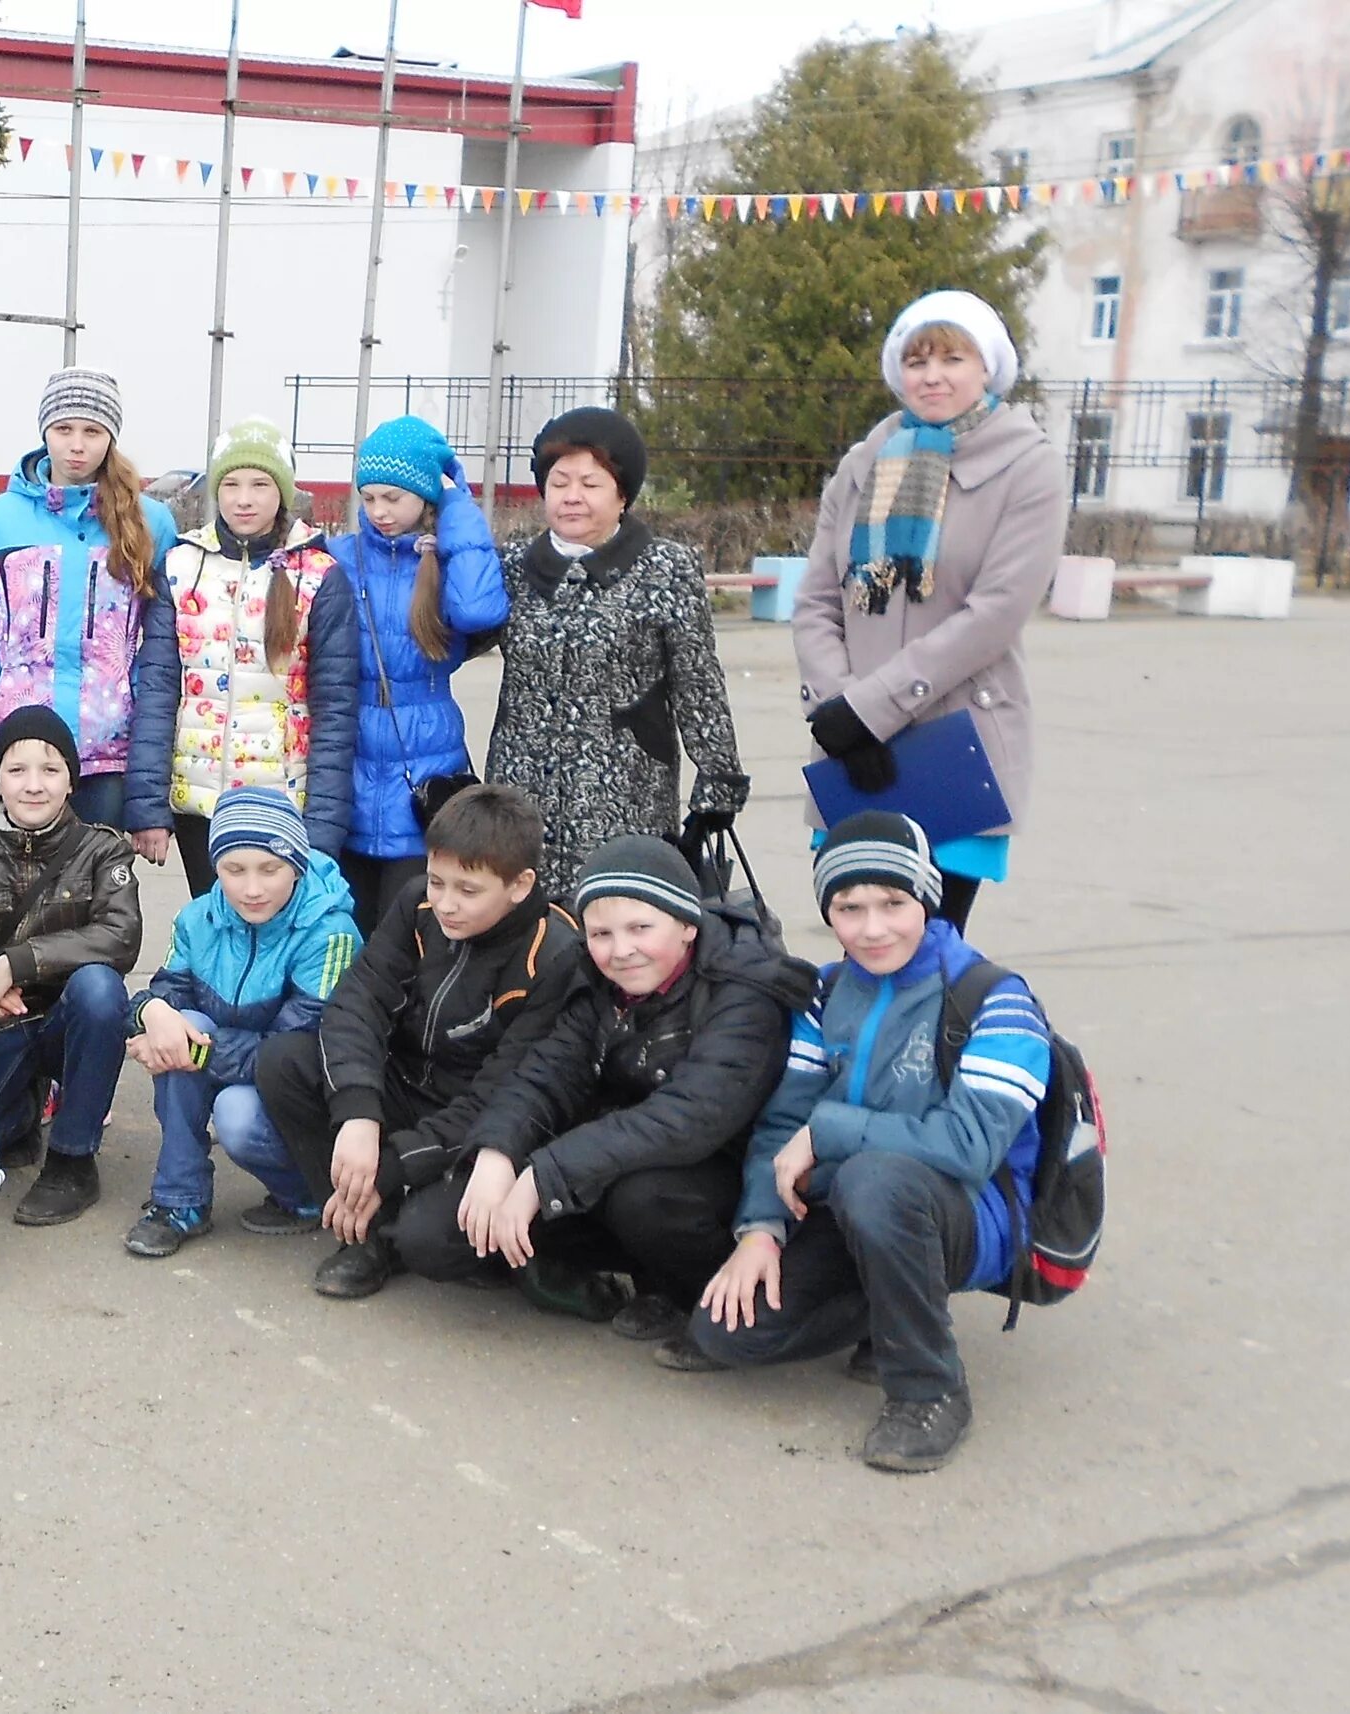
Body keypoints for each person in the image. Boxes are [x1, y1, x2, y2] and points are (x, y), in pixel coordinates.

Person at [671, 813, 1055, 1473]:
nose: (872, 928)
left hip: (970, 1214)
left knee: (874, 1178)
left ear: (926, 901)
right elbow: (782, 1121)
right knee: (726, 1334)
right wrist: (759, 1229)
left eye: (892, 904)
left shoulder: (994, 1000)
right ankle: (889, 1305)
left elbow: (968, 1147)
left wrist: (830, 1129)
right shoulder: (826, 993)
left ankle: (929, 1387)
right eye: (849, 908)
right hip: (853, 1208)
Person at [435, 835, 816, 1336]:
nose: (621, 951)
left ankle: (698, 1296)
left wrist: (542, 1176)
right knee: (448, 1227)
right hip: (622, 1143)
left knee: (645, 1200)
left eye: (641, 927)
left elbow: (689, 1119)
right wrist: (497, 1155)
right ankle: (606, 1271)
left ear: (686, 924)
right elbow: (547, 1070)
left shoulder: (742, 990)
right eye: (602, 934)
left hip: (724, 1166)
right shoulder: (593, 977)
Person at [794, 291, 1066, 929]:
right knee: (860, 942)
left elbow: (995, 613)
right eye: (917, 360)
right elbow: (816, 599)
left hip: (958, 744)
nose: (933, 375)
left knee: (931, 954)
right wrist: (838, 710)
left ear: (987, 368)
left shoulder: (1028, 467)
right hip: (852, 749)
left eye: (952, 357)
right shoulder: (864, 464)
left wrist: (869, 710)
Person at [253, 784, 583, 1299]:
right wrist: (358, 1113)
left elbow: (503, 1096)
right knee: (283, 1061)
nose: (446, 904)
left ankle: (478, 1241)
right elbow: (356, 1003)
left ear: (520, 885)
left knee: (428, 1240)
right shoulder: (419, 905)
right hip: (408, 1082)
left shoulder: (554, 955)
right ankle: (363, 1236)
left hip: (483, 1124)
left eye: (468, 891)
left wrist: (388, 1167)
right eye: (437, 881)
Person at [484, 407, 746, 892]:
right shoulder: (512, 566)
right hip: (519, 790)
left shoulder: (664, 568)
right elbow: (450, 636)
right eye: (559, 482)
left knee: (615, 923)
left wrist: (717, 784)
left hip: (625, 792)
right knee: (524, 931)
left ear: (622, 494)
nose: (572, 497)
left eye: (590, 483)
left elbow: (698, 682)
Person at [123, 788, 364, 1258]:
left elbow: (298, 1047)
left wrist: (193, 1049)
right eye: (234, 870)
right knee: (177, 1021)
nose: (252, 889)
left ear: (296, 863)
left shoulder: (330, 932)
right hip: (230, 1051)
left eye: (269, 869)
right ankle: (180, 1200)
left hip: (302, 1087)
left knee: (236, 1112)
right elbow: (167, 990)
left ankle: (308, 1192)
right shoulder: (199, 918)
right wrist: (149, 1015)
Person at [0, 367, 181, 837]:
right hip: (21, 744)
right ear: (45, 432)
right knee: (19, 889)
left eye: (92, 432)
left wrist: (130, 692)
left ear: (111, 437)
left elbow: (163, 631)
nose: (77, 445)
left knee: (97, 887)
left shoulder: (150, 522)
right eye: (64, 430)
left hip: (109, 748)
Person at [0, 705, 143, 1227]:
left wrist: (15, 964)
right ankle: (21, 1113)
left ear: (71, 781)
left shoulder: (102, 849)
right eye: (17, 770)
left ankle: (74, 1160)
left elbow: (120, 937)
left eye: (50, 770)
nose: (34, 786)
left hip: (66, 1023)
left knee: (101, 990)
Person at [139, 417, 353, 893]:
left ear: (282, 491)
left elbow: (335, 708)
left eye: (260, 484)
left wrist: (322, 828)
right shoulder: (180, 566)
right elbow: (156, 691)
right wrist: (148, 808)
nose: (244, 499)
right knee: (215, 935)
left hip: (284, 801)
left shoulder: (318, 575)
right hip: (199, 804)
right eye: (231, 484)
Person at [313, 415, 509, 934]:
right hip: (348, 759)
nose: (379, 512)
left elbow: (478, 612)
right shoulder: (339, 556)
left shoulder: (448, 560)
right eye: (370, 497)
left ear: (425, 497)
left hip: (425, 762)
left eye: (394, 498)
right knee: (345, 933)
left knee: (413, 933)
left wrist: (457, 507)